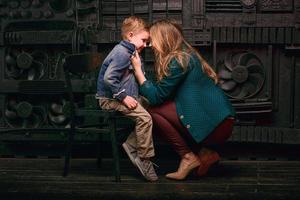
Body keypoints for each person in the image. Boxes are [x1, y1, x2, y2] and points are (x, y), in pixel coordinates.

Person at [131, 19, 235, 180]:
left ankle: (187, 157)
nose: (150, 46)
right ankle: (206, 152)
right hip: (222, 122)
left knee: (154, 111)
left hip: (217, 126)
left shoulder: (178, 61)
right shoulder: (186, 54)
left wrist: (138, 71)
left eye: (153, 41)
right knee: (169, 109)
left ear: (164, 39)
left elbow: (156, 97)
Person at [96, 16, 158, 181]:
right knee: (145, 119)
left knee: (156, 109)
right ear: (130, 36)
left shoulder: (132, 52)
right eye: (144, 40)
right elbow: (109, 79)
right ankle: (143, 158)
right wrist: (123, 97)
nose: (146, 45)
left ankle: (131, 145)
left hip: (128, 96)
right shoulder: (122, 52)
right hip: (111, 100)